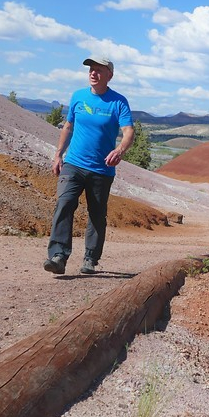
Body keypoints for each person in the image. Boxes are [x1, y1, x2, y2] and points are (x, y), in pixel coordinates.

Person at [44, 57, 134, 275]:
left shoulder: (118, 102)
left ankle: (90, 258)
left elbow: (128, 132)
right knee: (64, 203)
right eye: (91, 70)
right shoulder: (78, 96)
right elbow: (68, 126)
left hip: (102, 169)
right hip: (73, 164)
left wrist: (119, 151)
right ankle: (58, 256)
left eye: (98, 70)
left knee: (96, 214)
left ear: (109, 75)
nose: (93, 73)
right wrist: (58, 155)